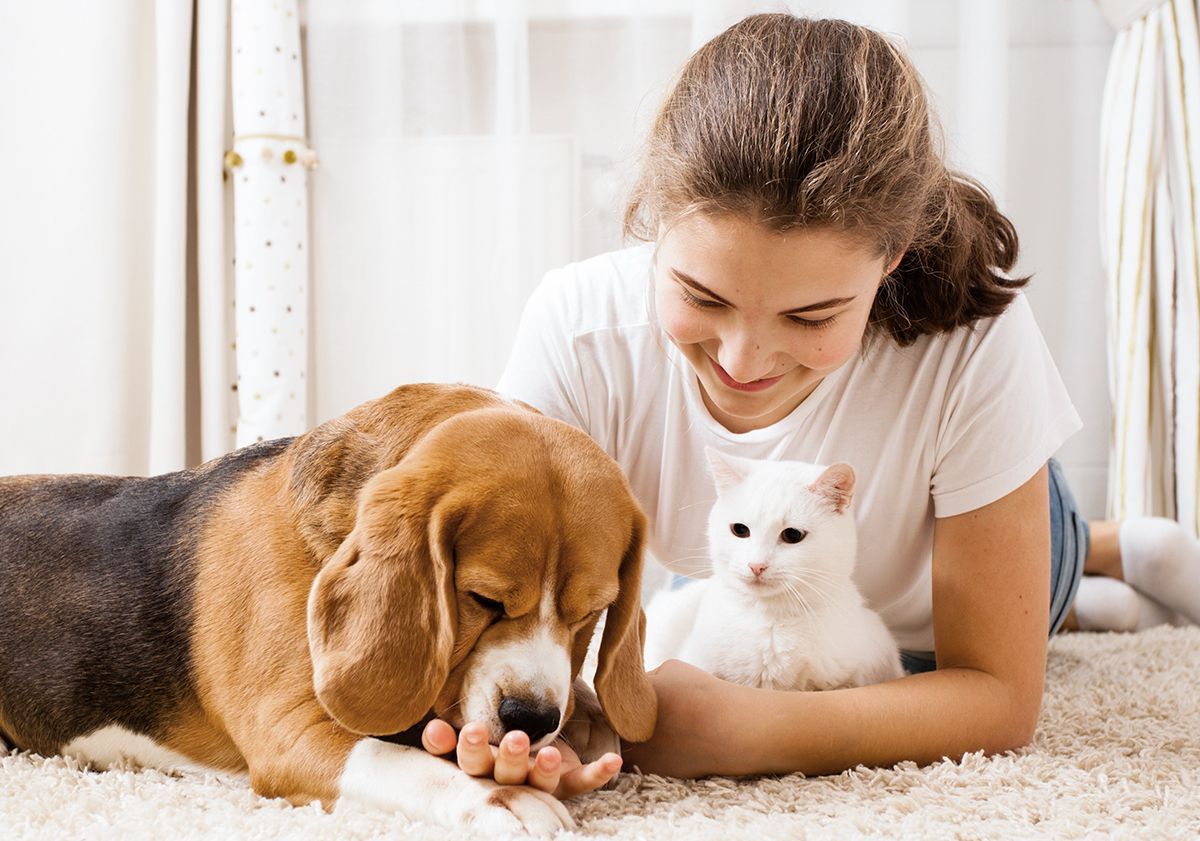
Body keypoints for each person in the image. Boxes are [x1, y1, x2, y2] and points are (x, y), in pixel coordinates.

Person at [419, 13, 1200, 793]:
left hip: (956, 561)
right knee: (733, 571)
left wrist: (742, 730)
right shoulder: (578, 328)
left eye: (810, 316)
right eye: (701, 295)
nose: (740, 361)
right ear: (655, 223)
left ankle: (1102, 547)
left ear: (892, 257)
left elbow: (999, 696)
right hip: (777, 575)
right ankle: (1107, 585)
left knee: (1039, 577)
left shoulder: (978, 339)